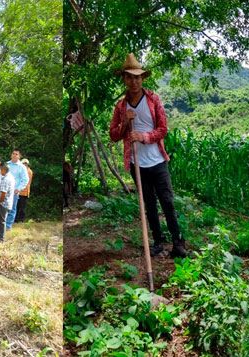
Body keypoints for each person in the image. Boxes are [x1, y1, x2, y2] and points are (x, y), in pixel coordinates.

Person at [108, 53, 186, 258]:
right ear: (124, 79)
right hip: (137, 164)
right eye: (129, 77)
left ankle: (178, 243)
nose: (134, 81)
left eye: (137, 77)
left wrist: (143, 136)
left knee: (167, 201)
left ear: (142, 79)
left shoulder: (153, 100)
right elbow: (114, 135)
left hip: (157, 161)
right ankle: (158, 242)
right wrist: (125, 122)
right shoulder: (121, 107)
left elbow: (163, 129)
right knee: (149, 204)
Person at [5, 150, 29, 230]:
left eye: (16, 154)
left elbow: (25, 179)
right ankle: (2, 224)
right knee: (3, 207)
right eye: (13, 154)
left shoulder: (21, 167)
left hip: (14, 190)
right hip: (4, 189)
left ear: (19, 156)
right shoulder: (7, 164)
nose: (14, 155)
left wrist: (19, 189)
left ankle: (8, 226)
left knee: (12, 208)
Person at [0, 164, 15, 243]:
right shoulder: (11, 177)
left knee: (1, 221)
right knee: (1, 221)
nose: (0, 172)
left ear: (3, 170)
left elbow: (4, 193)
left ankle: (0, 239)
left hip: (3, 204)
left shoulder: (6, 179)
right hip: (8, 203)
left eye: (1, 170)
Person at [15, 158, 33, 222]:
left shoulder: (29, 171)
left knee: (23, 207)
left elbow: (26, 182)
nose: (24, 164)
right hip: (18, 191)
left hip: (24, 192)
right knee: (17, 206)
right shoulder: (20, 170)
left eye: (25, 163)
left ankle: (21, 219)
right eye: (23, 163)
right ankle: (16, 219)